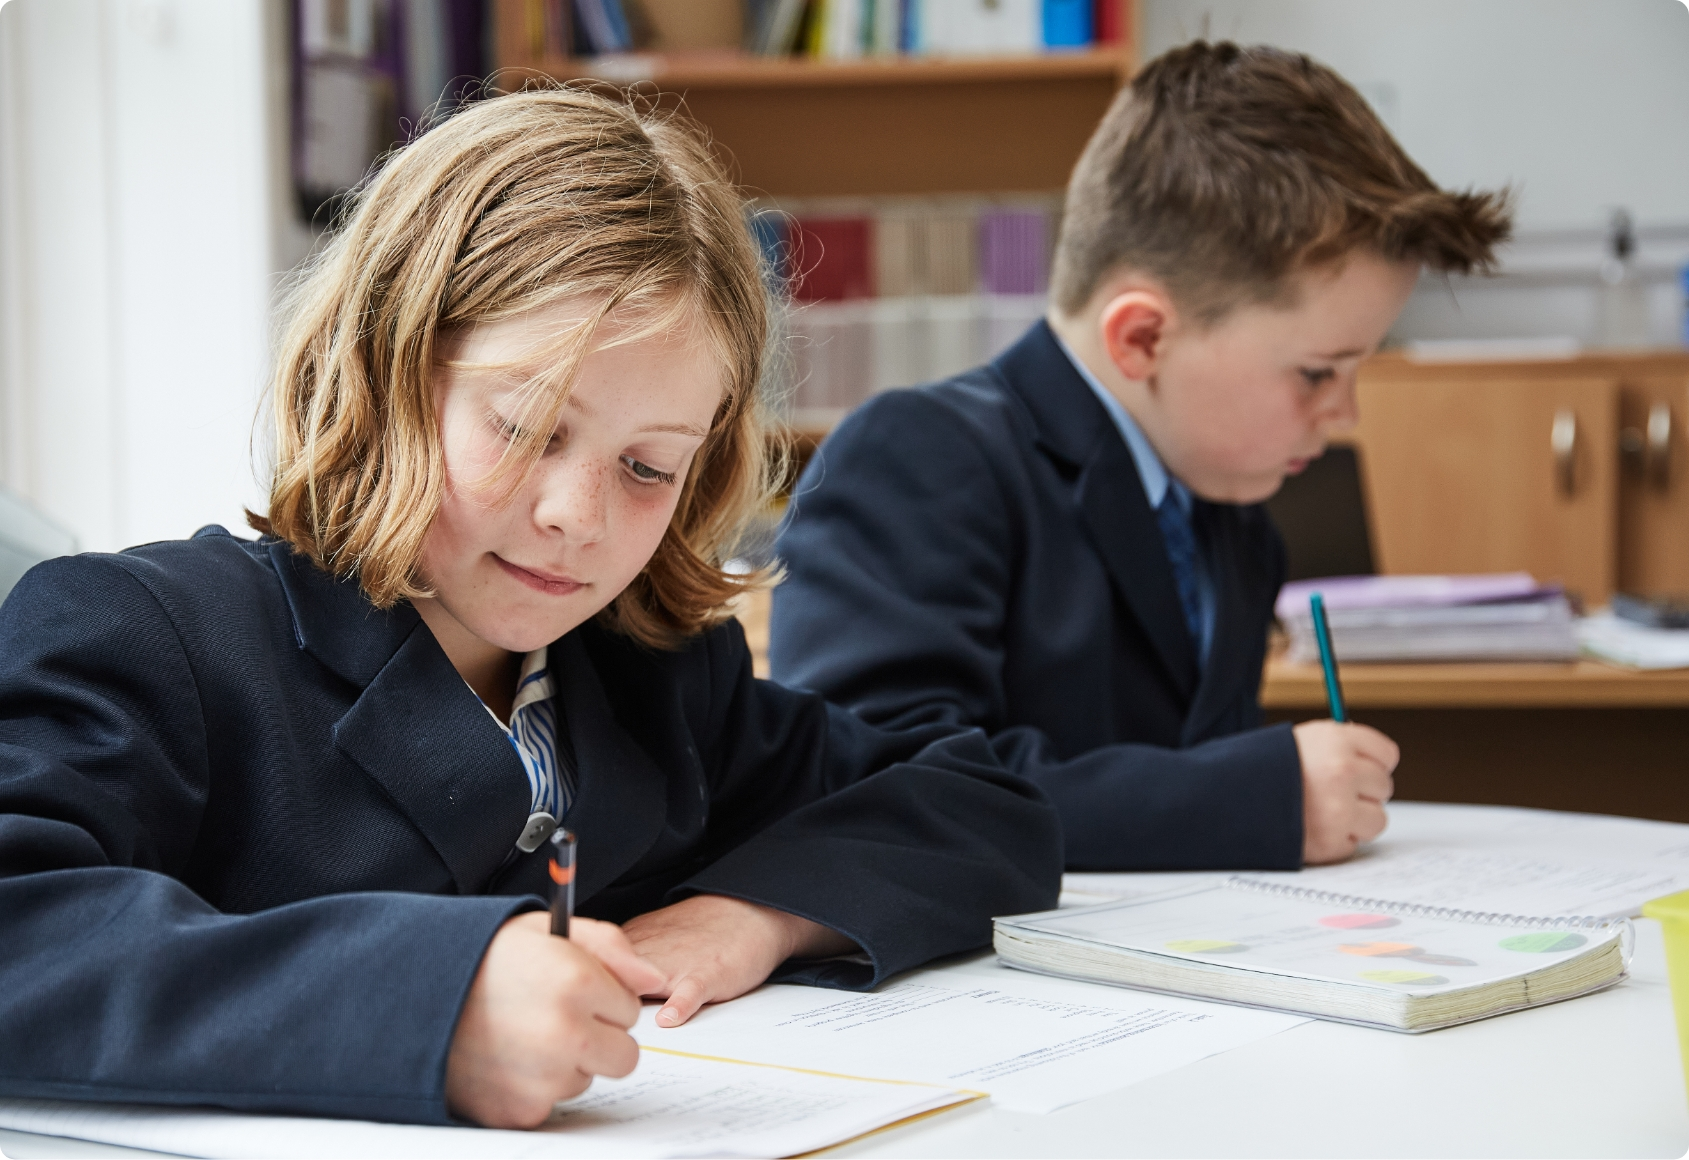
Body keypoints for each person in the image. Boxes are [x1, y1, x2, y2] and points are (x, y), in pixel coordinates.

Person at [0, 89, 1060, 1130]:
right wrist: (430, 1001)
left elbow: (979, 799)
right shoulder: (143, 635)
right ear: (387, 373)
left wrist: (756, 916)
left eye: (648, 467)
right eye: (525, 427)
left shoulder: (655, 677)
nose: (577, 518)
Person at [770, 41, 1512, 872]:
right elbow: (879, 790)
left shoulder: (1227, 509)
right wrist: (1252, 798)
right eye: (1316, 373)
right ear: (1143, 338)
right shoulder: (918, 457)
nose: (1343, 415)